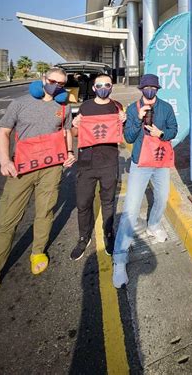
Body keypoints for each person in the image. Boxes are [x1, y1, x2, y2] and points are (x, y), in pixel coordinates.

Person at [0, 68, 75, 298]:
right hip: (21, 169)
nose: (56, 86)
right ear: (43, 79)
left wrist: (70, 151)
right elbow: (4, 133)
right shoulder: (20, 103)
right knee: (6, 221)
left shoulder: (64, 106)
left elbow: (66, 131)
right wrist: (5, 160)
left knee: (45, 213)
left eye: (61, 84)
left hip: (51, 169)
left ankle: (38, 252)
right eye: (52, 81)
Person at [113, 74, 177, 288]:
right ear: (141, 89)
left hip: (160, 162)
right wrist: (139, 119)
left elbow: (173, 130)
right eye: (146, 88)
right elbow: (128, 138)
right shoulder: (132, 109)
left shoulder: (166, 107)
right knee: (131, 208)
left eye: (153, 88)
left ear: (157, 89)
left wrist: (162, 133)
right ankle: (120, 257)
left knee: (161, 197)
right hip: (140, 162)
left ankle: (154, 224)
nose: (150, 91)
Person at [70, 74, 127, 260]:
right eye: (100, 85)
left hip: (109, 162)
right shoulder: (85, 107)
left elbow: (124, 136)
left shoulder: (117, 107)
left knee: (108, 202)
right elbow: (75, 133)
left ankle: (108, 234)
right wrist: (75, 124)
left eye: (107, 85)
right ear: (94, 88)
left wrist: (123, 121)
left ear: (112, 87)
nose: (104, 88)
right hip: (86, 163)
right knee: (83, 203)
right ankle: (83, 237)